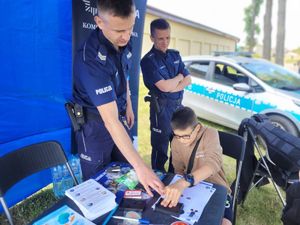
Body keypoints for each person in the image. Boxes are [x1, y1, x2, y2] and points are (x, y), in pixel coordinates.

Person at [73, 0, 163, 196]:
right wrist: (142, 166)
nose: (126, 36)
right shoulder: (91, 59)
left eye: (130, 28)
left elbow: (125, 75)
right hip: (95, 125)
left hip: (119, 114)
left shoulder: (125, 42)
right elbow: (110, 120)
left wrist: (129, 104)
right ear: (99, 22)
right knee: (97, 185)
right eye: (119, 31)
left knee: (125, 176)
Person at [161, 107, 233, 225]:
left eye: (186, 136)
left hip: (217, 188)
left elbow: (213, 163)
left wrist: (184, 182)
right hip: (192, 189)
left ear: (197, 128)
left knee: (225, 222)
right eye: (178, 136)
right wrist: (179, 185)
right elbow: (179, 171)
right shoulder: (175, 142)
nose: (182, 140)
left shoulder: (210, 134)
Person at [140, 18, 191, 172]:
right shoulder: (148, 61)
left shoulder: (175, 55)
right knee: (160, 150)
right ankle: (157, 179)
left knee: (177, 148)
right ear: (152, 38)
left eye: (168, 37)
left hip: (177, 108)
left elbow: (188, 79)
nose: (165, 42)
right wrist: (178, 78)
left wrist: (173, 86)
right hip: (160, 111)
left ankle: (173, 179)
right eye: (160, 38)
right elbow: (164, 86)